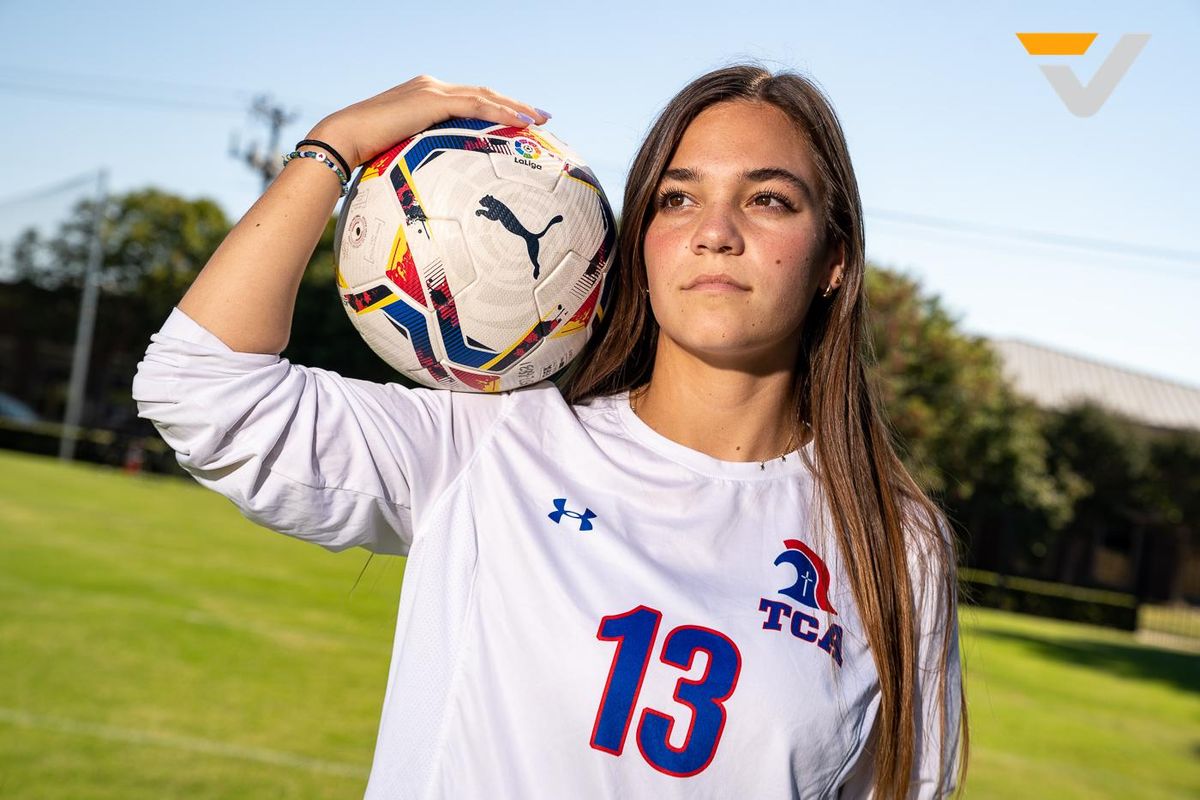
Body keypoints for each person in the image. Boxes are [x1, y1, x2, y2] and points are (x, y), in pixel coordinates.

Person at [133, 64, 968, 798]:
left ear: (834, 262)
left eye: (769, 199)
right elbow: (202, 389)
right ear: (637, 242)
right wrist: (333, 148)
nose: (716, 231)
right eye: (678, 198)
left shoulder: (897, 545)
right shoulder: (495, 447)